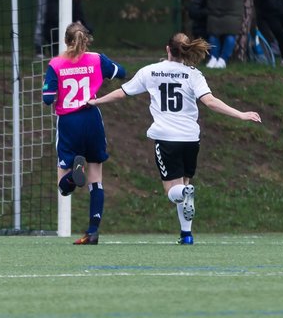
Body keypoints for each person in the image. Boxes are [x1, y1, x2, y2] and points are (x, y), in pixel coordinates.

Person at [90, 32, 262, 245]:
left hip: (166, 138)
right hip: (190, 139)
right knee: (184, 185)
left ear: (167, 49)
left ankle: (185, 200)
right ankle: (186, 235)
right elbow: (210, 102)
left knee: (173, 191)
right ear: (186, 50)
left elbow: (121, 93)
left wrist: (96, 101)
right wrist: (241, 114)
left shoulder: (150, 71)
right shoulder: (193, 74)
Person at [41, 22, 128, 244]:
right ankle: (92, 231)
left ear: (66, 41)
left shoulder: (56, 64)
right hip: (91, 118)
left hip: (69, 121)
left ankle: (73, 175)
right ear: (86, 40)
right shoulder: (97, 59)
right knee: (96, 179)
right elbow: (121, 73)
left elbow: (48, 98)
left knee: (64, 187)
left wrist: (52, 86)